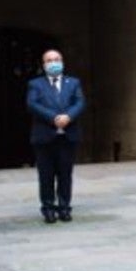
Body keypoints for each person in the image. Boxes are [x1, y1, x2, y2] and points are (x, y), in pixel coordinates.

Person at [26, 49, 85, 224]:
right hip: (44, 137)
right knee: (46, 175)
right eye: (49, 60)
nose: (54, 63)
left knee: (65, 174)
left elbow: (80, 102)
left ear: (63, 62)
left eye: (57, 59)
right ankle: (48, 208)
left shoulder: (73, 82)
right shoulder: (35, 84)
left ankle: (65, 207)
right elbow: (32, 104)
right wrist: (53, 118)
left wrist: (69, 116)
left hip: (68, 136)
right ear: (44, 65)